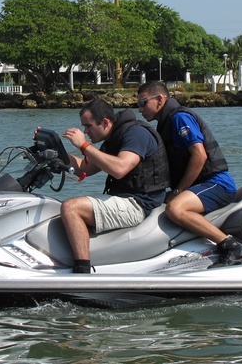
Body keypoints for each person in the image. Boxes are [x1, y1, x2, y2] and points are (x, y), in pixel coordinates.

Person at [136, 81, 242, 267]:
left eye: (143, 103)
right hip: (201, 186)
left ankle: (232, 248)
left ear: (159, 99)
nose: (140, 110)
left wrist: (179, 191)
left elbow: (199, 155)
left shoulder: (179, 118)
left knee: (175, 208)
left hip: (217, 184)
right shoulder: (165, 124)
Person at [58, 98, 170, 273]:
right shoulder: (113, 139)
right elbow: (83, 168)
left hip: (139, 203)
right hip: (124, 198)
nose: (85, 132)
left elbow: (120, 168)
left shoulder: (136, 134)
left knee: (71, 207)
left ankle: (82, 271)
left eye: (88, 126)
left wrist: (84, 145)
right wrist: (54, 151)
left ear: (104, 122)